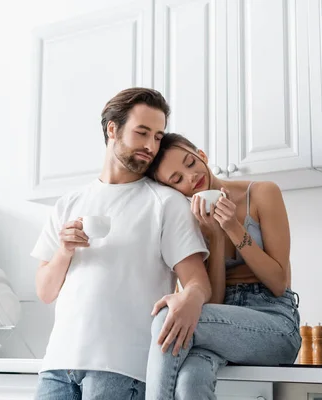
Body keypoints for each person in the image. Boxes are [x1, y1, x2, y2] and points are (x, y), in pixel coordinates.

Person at [30, 90, 212, 400]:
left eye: (157, 136)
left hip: (122, 369)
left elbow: (198, 283)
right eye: (142, 133)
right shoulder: (68, 203)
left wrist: (191, 298)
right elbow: (45, 292)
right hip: (57, 366)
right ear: (112, 129)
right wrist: (65, 250)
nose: (151, 146)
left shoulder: (166, 203)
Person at [144, 133, 302, 400]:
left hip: (275, 323)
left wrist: (232, 227)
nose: (191, 176)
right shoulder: (189, 222)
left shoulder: (263, 193)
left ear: (201, 155)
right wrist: (216, 237)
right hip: (220, 326)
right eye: (177, 179)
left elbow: (277, 283)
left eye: (190, 163)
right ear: (173, 191)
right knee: (190, 380)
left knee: (166, 319)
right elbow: (214, 300)